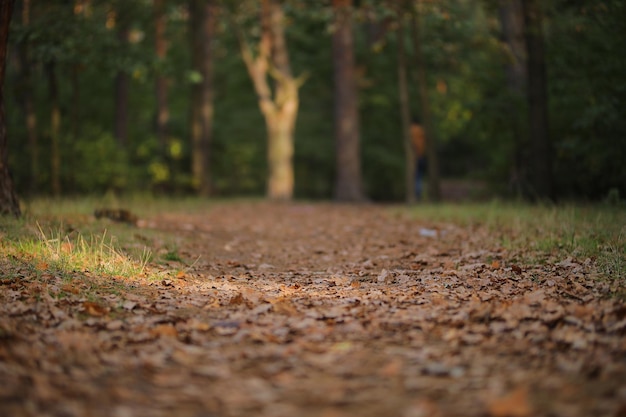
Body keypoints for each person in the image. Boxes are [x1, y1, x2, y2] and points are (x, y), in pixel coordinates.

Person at [410, 119, 427, 200]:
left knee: (416, 178)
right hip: (421, 156)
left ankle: (417, 195)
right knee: (419, 177)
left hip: (415, 158)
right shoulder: (422, 130)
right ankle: (419, 195)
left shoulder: (411, 130)